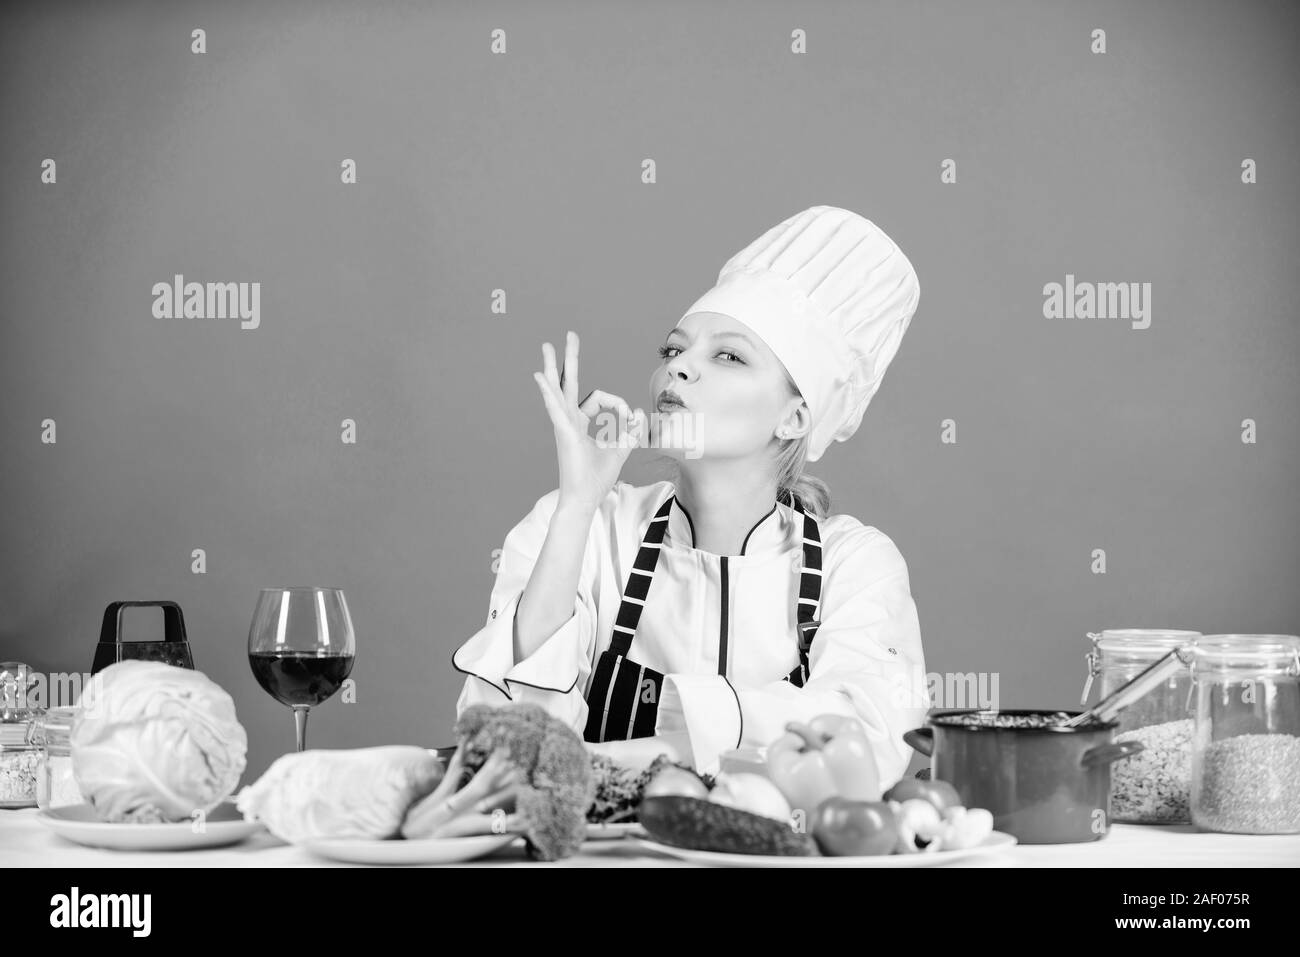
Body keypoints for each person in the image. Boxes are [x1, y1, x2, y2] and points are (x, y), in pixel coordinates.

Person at [452, 205, 927, 783]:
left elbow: (863, 745)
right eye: (673, 350)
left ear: (795, 417)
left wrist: (630, 749)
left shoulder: (855, 565)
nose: (678, 370)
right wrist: (577, 504)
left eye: (727, 355)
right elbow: (504, 735)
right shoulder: (588, 529)